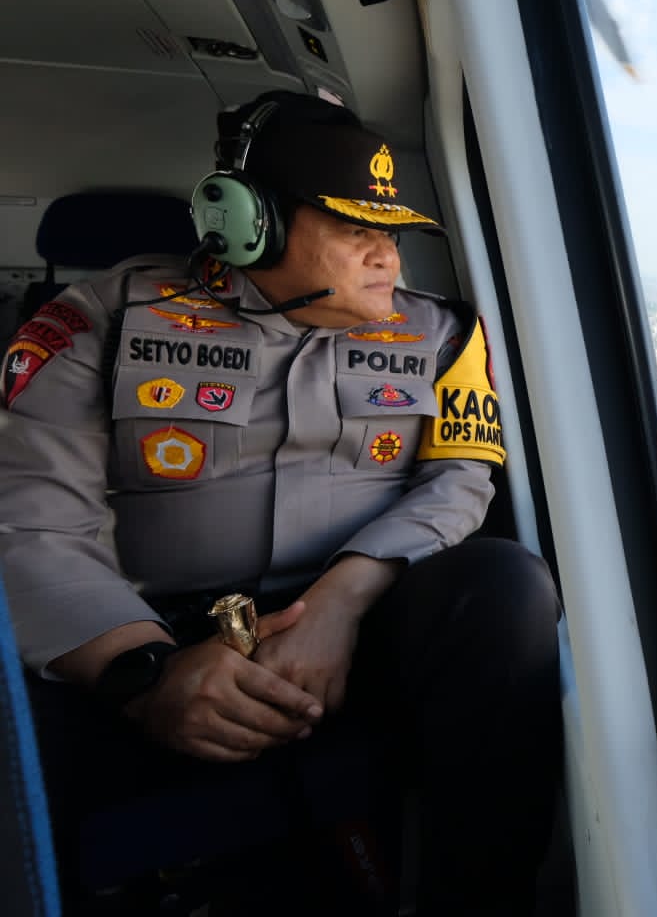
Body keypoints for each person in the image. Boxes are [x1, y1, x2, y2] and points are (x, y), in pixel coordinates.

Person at [0, 91, 563, 915]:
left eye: (393, 232)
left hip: (362, 633)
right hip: (141, 642)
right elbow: (31, 517)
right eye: (355, 230)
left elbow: (459, 478)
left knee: (506, 585)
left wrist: (342, 599)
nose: (388, 259)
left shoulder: (445, 337)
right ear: (244, 222)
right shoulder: (98, 322)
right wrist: (144, 674)